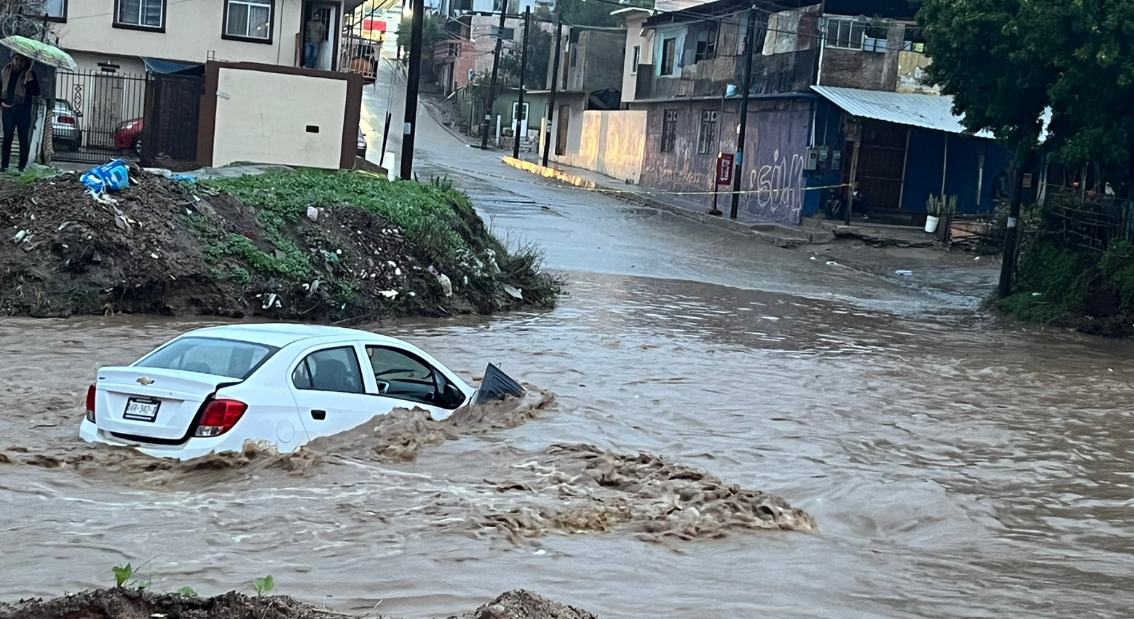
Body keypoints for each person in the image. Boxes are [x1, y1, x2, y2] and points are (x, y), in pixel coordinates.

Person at [0, 54, 39, 173]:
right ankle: (4, 165)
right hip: (8, 110)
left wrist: (31, 80)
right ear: (12, 59)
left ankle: (22, 166)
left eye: (21, 60)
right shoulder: (5, 71)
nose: (18, 62)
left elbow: (36, 92)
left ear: (26, 61)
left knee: (23, 138)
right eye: (16, 59)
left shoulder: (29, 73)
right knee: (7, 137)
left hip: (23, 111)